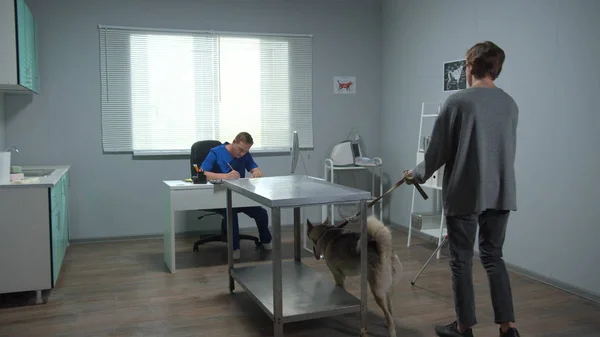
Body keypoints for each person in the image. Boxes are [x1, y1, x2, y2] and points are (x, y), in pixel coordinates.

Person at [403, 41, 521, 337]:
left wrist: (415, 174)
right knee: (494, 257)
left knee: (461, 260)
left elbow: (437, 152)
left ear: (471, 66)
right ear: (496, 69)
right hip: (501, 192)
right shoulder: (510, 104)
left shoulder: (458, 102)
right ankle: (508, 328)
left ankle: (464, 327)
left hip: (466, 193)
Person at [200, 131, 272, 260]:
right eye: (240, 150)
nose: (242, 154)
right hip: (219, 197)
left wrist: (257, 172)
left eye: (245, 151)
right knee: (231, 213)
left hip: (239, 196)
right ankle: (234, 248)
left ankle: (266, 240)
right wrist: (224, 177)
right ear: (234, 142)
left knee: (261, 213)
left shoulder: (245, 155)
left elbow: (254, 168)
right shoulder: (216, 152)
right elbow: (202, 173)